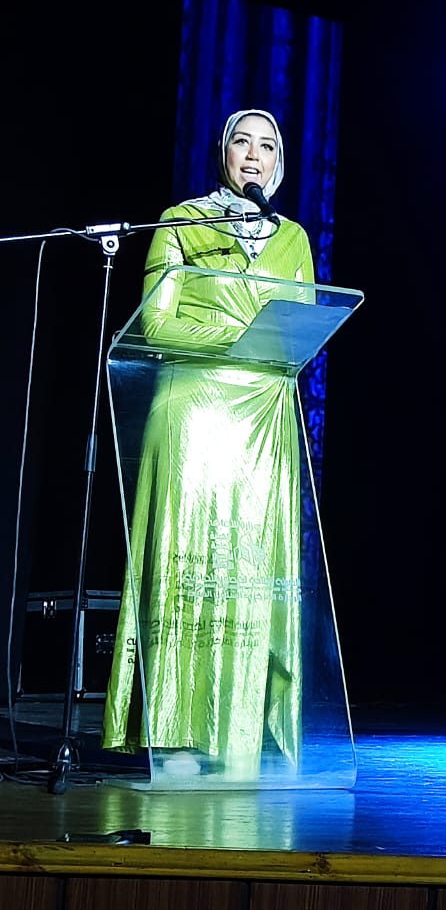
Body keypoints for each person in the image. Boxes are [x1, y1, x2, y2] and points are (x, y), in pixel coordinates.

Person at [102, 109, 314, 780]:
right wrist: (237, 341)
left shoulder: (293, 238)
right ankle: (176, 736)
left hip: (264, 418)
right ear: (222, 153)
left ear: (279, 162)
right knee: (187, 564)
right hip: (192, 410)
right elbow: (156, 326)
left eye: (268, 145)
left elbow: (302, 328)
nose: (254, 155)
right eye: (242, 142)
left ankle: (247, 734)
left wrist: (267, 349)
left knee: (249, 571)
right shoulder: (181, 221)